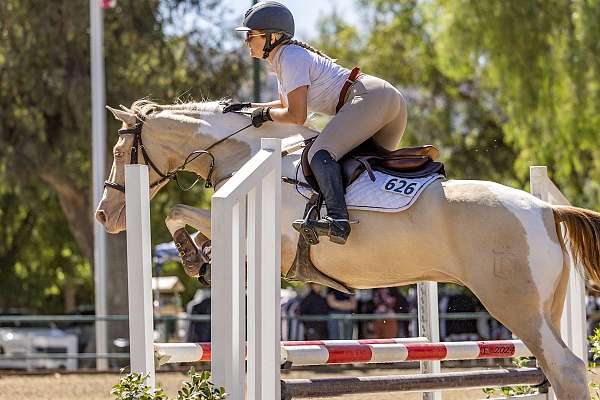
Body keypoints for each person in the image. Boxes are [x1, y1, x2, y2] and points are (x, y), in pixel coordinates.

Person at [225, 1, 408, 245]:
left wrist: (265, 115)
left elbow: (296, 116)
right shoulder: (285, 59)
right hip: (386, 102)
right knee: (361, 172)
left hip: (371, 98)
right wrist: (248, 108)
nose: (247, 40)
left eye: (251, 34)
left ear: (273, 37)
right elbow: (284, 105)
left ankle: (338, 222)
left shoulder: (289, 57)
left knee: (320, 154)